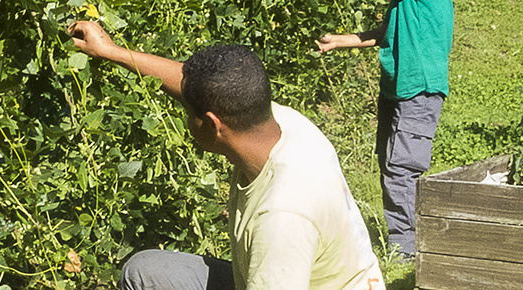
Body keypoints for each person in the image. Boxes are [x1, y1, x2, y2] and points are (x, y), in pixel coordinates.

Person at [65, 22, 387, 290]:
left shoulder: (281, 217)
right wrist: (110, 51)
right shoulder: (280, 121)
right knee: (145, 271)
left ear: (211, 124)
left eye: (188, 113)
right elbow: (195, 87)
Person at [310, 0, 454, 259]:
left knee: (401, 168)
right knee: (390, 164)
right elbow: (388, 34)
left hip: (419, 89)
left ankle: (406, 252)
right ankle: (408, 240)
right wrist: (340, 41)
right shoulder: (405, 8)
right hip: (398, 87)